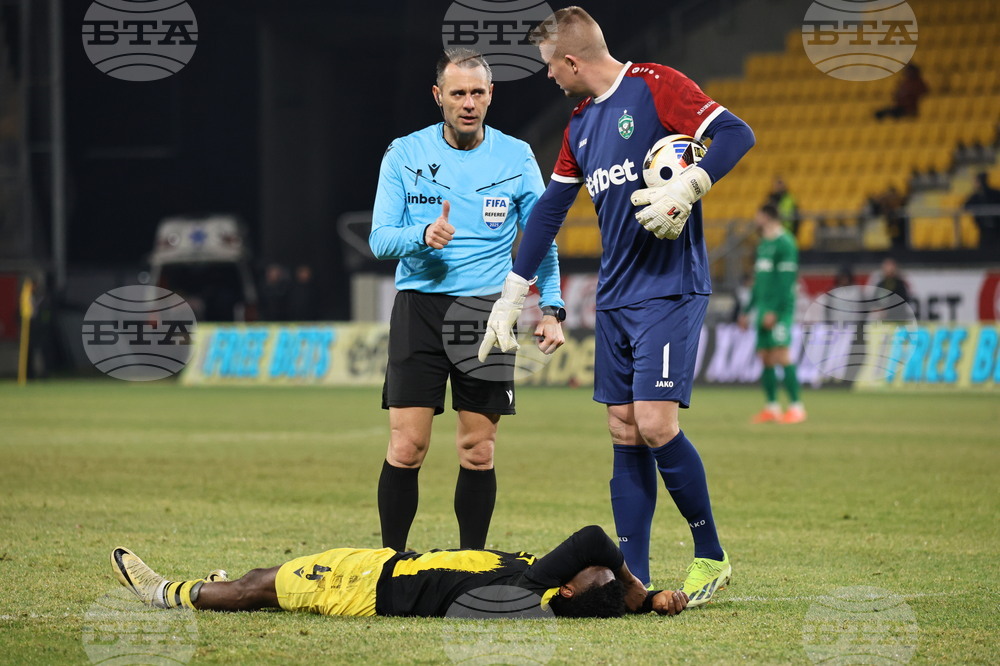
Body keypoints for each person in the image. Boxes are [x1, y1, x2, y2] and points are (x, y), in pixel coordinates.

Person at [477, 7, 755, 605]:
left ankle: (711, 556)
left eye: (551, 66)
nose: (549, 77)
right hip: (616, 296)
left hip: (670, 287)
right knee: (624, 429)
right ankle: (634, 578)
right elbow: (549, 211)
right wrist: (511, 294)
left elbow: (737, 134)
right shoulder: (578, 125)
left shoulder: (656, 87)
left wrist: (689, 184)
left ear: (572, 60)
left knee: (656, 423)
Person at [369, 48, 565, 552]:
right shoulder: (404, 153)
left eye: (478, 92)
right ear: (439, 97)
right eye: (458, 93)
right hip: (419, 308)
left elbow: (541, 237)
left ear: (491, 95)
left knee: (478, 450)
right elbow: (379, 239)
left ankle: (472, 562)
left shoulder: (516, 155)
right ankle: (391, 563)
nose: (468, 103)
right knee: (407, 446)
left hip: (487, 312)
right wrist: (423, 233)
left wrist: (552, 307)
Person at [110, 525, 689, 618]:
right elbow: (597, 574)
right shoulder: (544, 583)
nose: (594, 566)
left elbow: (594, 539)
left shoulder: (532, 586)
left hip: (366, 587)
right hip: (382, 571)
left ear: (567, 585)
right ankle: (216, 584)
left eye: (591, 573)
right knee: (270, 573)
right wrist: (650, 601)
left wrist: (635, 587)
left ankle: (172, 593)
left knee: (260, 586)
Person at [738, 205, 805, 424]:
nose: (755, 219)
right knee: (765, 356)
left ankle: (796, 407)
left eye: (758, 215)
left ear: (767, 217)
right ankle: (772, 407)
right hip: (763, 310)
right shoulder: (763, 244)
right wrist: (748, 311)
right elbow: (759, 283)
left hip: (780, 310)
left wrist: (775, 311)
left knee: (781, 353)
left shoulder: (786, 243)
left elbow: (787, 282)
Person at [964, 172, 1000, 249]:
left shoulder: (995, 194)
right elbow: (965, 207)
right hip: (984, 230)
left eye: (976, 181)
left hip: (996, 229)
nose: (974, 184)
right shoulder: (976, 196)